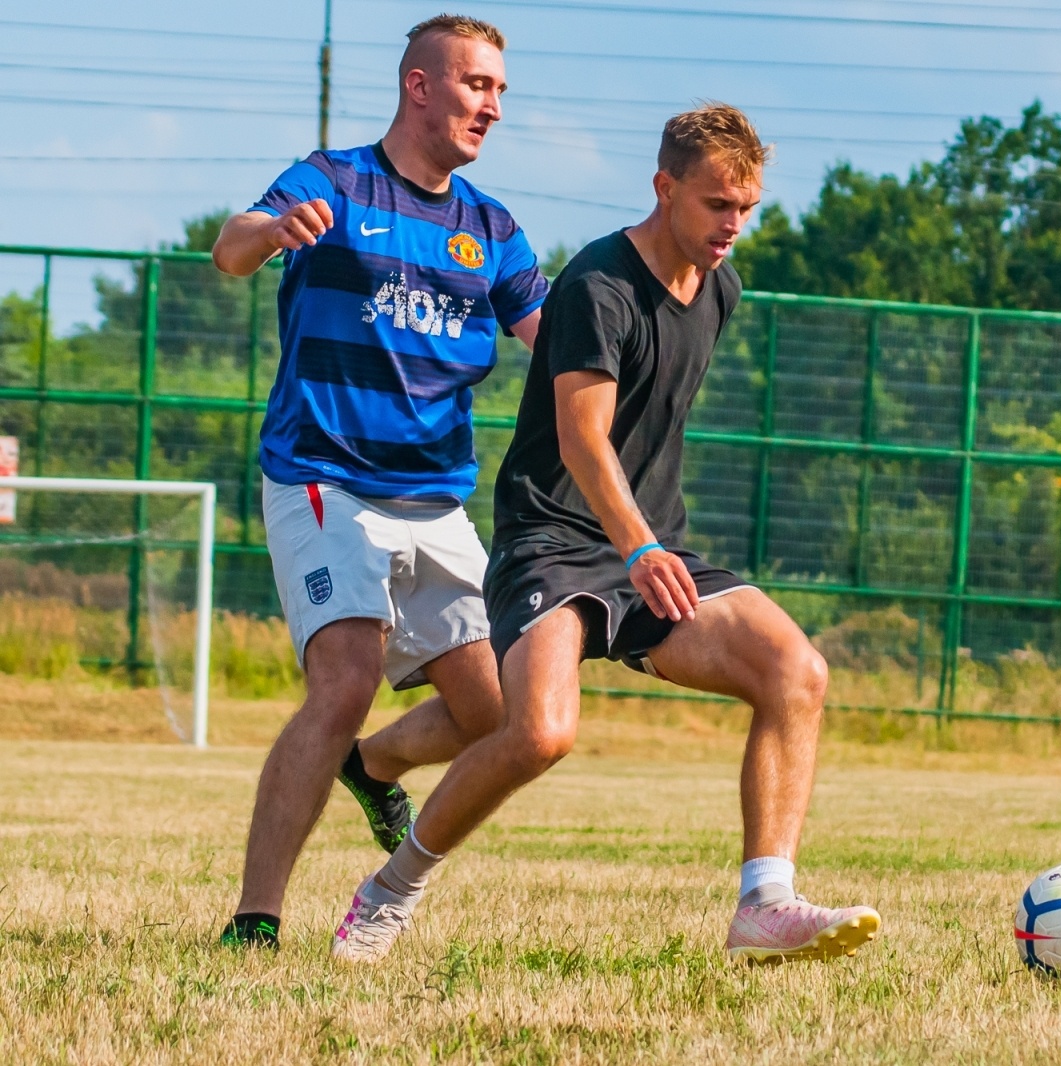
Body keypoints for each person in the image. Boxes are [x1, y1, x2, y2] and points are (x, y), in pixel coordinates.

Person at [328, 103, 882, 965]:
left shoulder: (720, 285)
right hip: (552, 541)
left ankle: (764, 903)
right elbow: (585, 441)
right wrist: (639, 546)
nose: (733, 226)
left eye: (747, 208)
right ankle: (387, 893)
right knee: (538, 733)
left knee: (795, 672)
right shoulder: (598, 286)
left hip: (648, 544)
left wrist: (651, 545)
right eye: (715, 205)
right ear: (664, 188)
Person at [209, 14, 547, 948]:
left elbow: (553, 341)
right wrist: (275, 230)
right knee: (347, 675)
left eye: (501, 91)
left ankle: (371, 768)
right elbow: (230, 249)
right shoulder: (334, 179)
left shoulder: (493, 228)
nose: (492, 105)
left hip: (436, 495)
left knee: (499, 714)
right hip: (325, 478)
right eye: (478, 84)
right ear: (421, 86)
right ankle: (256, 920)